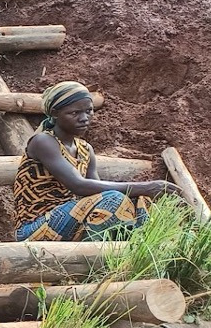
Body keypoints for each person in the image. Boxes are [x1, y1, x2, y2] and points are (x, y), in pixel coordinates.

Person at [13, 80, 175, 241]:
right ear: (55, 113)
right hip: (34, 228)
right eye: (74, 113)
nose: (84, 118)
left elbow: (97, 192)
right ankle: (93, 258)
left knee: (139, 201)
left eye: (89, 111)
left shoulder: (85, 149)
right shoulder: (43, 141)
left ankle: (126, 253)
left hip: (71, 222)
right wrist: (146, 186)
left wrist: (141, 193)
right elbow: (78, 185)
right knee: (114, 199)